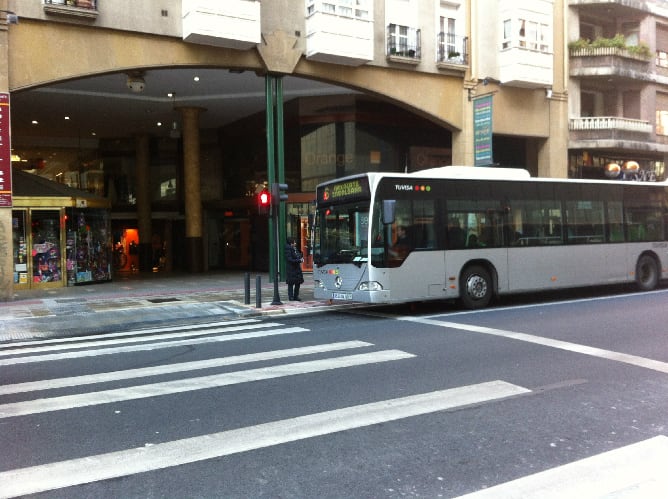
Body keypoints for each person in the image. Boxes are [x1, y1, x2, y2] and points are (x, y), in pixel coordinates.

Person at [285, 237, 304, 301]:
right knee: (291, 283)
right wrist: (299, 260)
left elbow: (298, 255)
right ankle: (291, 297)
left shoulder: (294, 248)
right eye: (294, 242)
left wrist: (300, 257)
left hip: (296, 268)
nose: (295, 243)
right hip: (291, 269)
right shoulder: (288, 249)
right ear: (291, 243)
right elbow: (289, 259)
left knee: (297, 283)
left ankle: (296, 296)